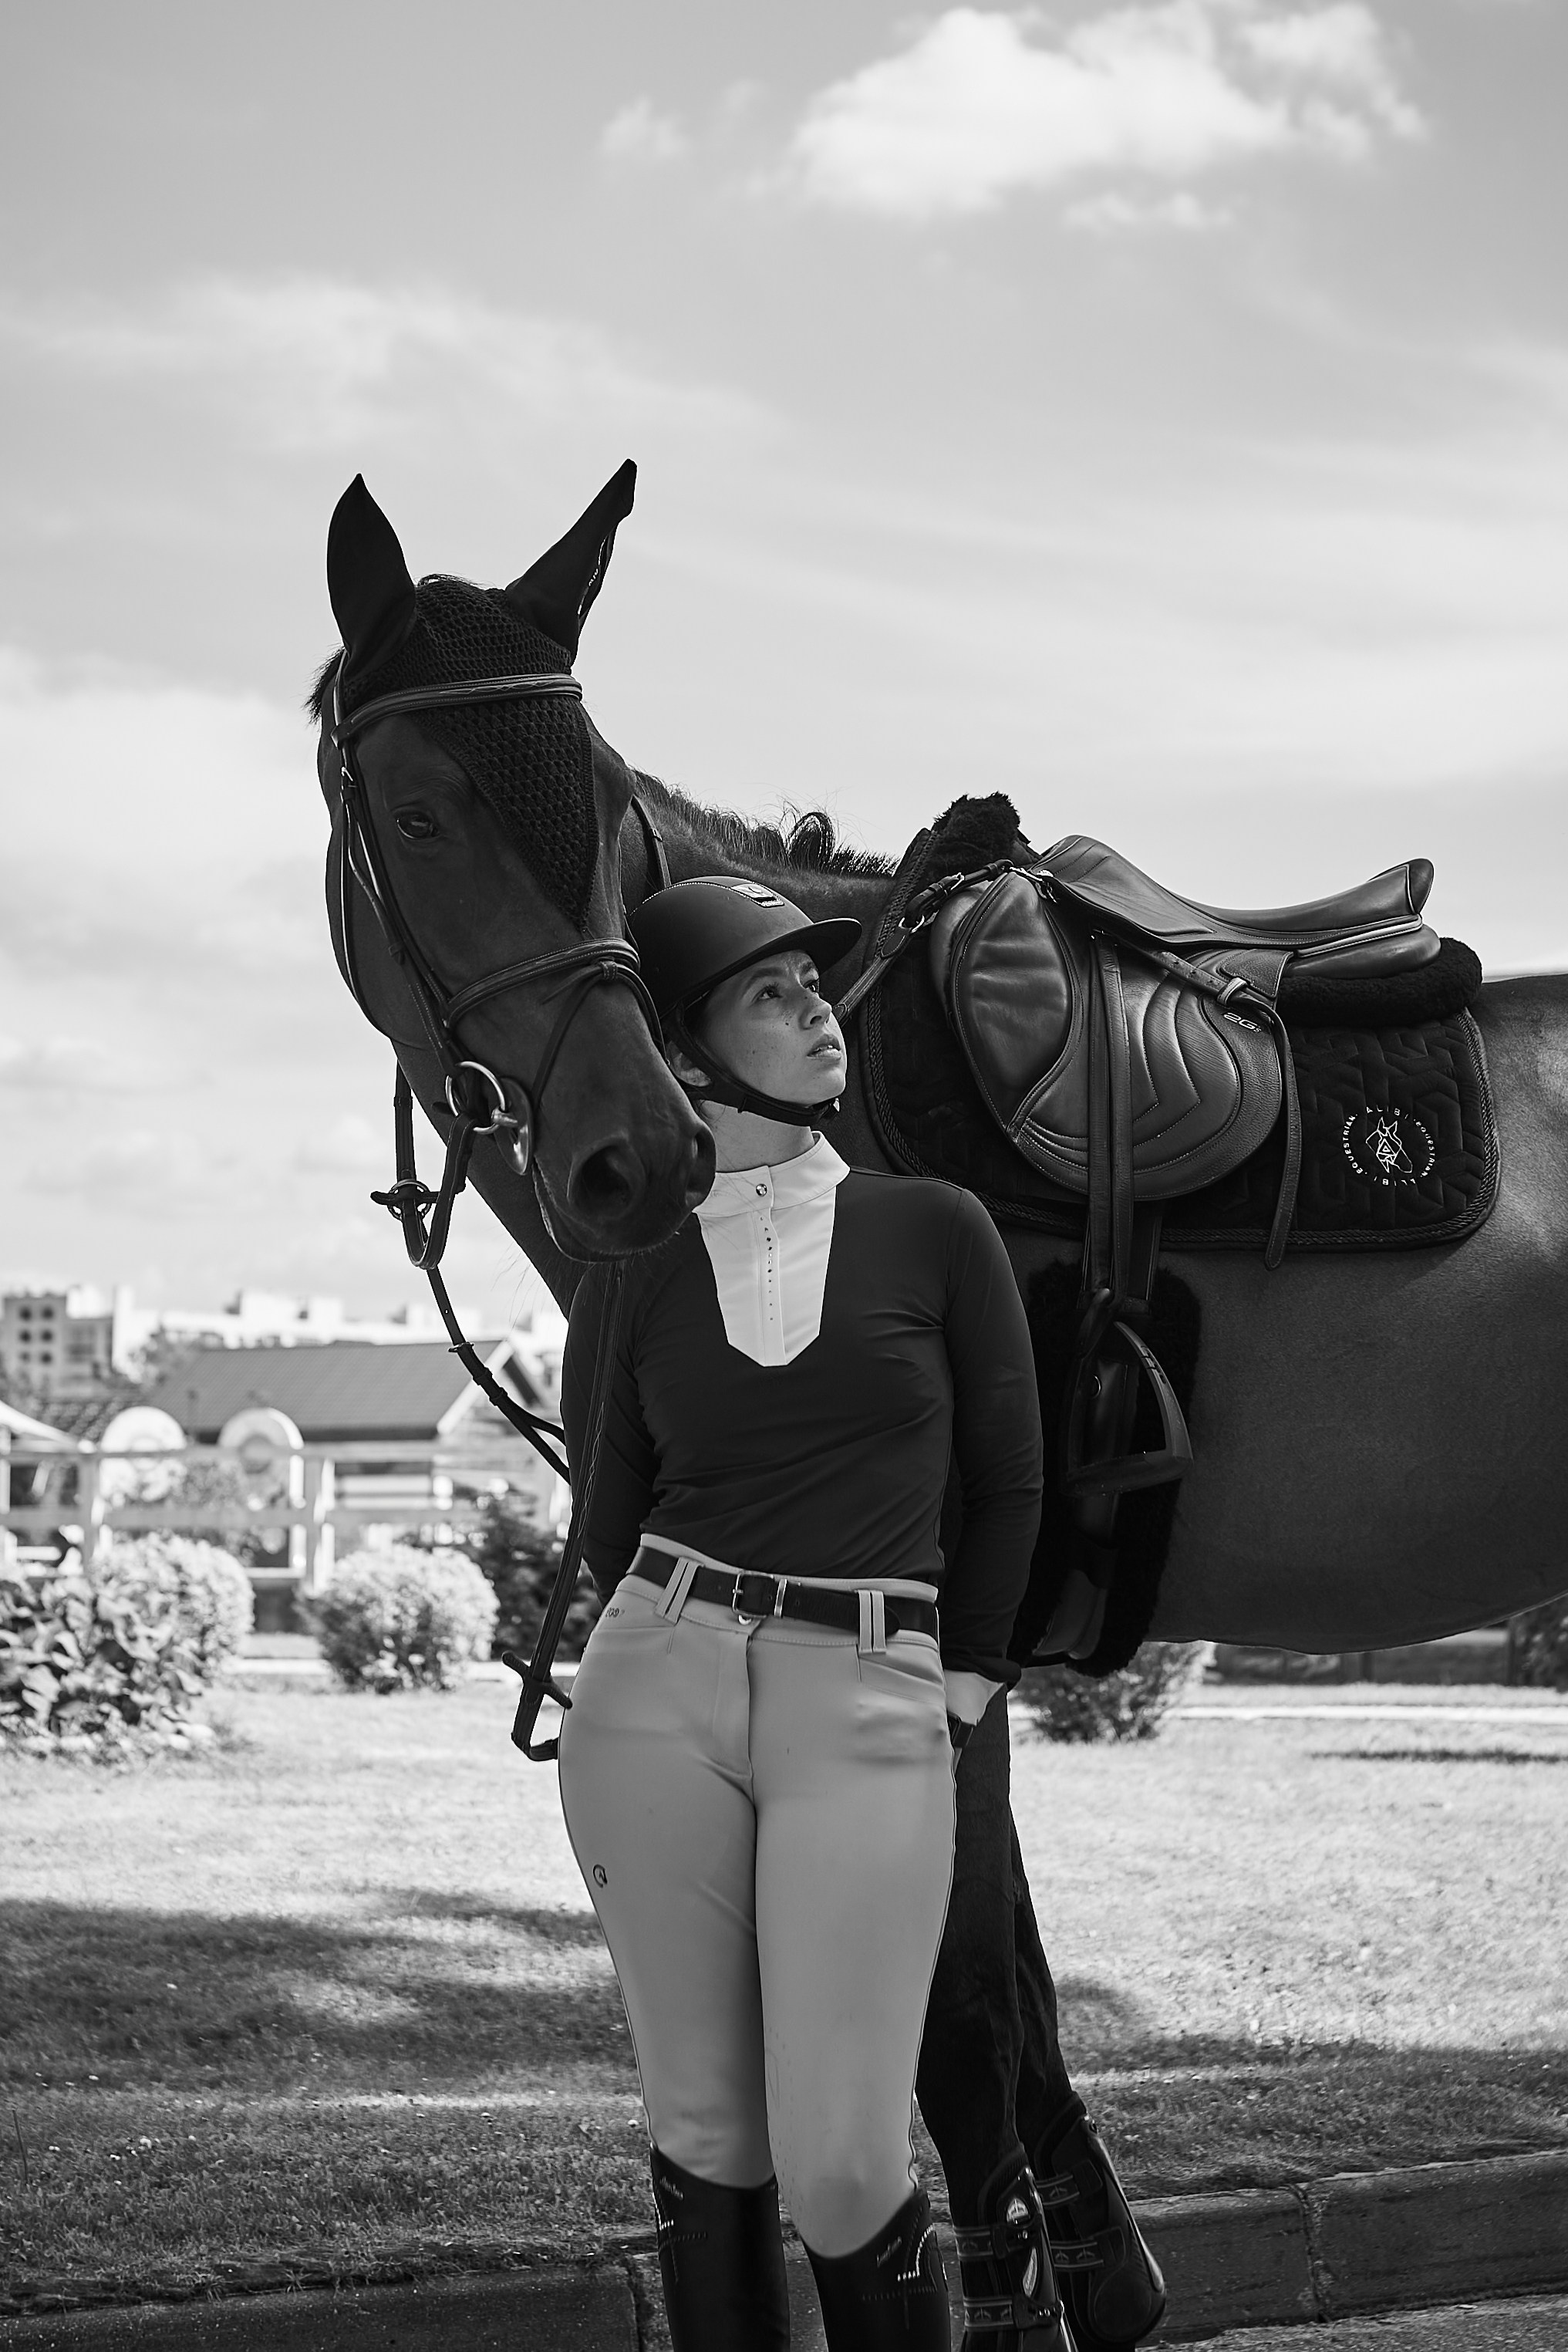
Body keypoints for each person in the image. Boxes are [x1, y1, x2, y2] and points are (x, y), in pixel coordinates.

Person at [557, 875, 1065, 2351]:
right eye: (770, 994)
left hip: (868, 1695)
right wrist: (662, 1648)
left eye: (813, 985)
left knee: (846, 2156)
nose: (815, 1011)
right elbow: (608, 1502)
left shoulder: (933, 1227)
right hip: (658, 1690)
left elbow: (1014, 1486)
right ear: (691, 1057)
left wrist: (959, 1684)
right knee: (707, 2130)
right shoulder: (635, 1265)